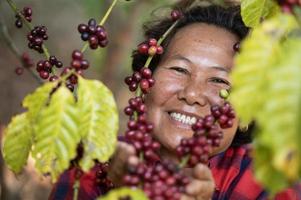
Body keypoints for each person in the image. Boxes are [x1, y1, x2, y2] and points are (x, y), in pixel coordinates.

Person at [49, 1, 300, 200]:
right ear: (145, 82)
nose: (191, 94)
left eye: (220, 81)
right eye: (179, 70)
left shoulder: (269, 182)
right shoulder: (95, 166)